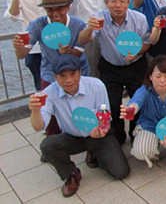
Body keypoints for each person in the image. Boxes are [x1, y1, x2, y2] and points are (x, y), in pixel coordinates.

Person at [28, 54, 129, 197]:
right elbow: (39, 126)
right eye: (62, 75)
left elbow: (105, 114)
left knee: (121, 172)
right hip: (72, 137)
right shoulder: (49, 93)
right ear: (55, 77)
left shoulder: (96, 85)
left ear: (80, 72)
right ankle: (71, 174)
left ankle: (95, 153)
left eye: (73, 74)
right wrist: (35, 110)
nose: (68, 80)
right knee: (47, 146)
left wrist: (101, 129)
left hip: (98, 135)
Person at [78, 0, 151, 145]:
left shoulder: (139, 19)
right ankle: (117, 137)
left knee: (138, 102)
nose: (118, 5)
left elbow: (147, 44)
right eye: (113, 0)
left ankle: (136, 134)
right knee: (112, 104)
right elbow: (83, 40)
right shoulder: (99, 19)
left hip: (136, 67)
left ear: (128, 2)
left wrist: (138, 50)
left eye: (122, 1)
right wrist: (89, 27)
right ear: (106, 2)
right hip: (110, 67)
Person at [4, 0, 65, 90]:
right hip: (33, 47)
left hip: (55, 42)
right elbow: (14, 16)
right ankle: (46, 111)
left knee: (62, 81)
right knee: (42, 86)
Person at [121, 55, 166, 172]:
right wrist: (130, 109)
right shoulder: (144, 90)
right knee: (141, 151)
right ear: (150, 76)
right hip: (150, 125)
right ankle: (154, 148)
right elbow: (136, 101)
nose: (162, 81)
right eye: (158, 76)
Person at [13, 0, 89, 91]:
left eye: (59, 9)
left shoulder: (79, 24)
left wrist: (69, 52)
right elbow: (22, 54)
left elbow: (79, 51)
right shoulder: (37, 25)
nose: (55, 14)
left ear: (67, 7)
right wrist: (19, 47)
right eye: (50, 10)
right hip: (51, 75)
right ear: (45, 9)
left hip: (78, 75)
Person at [69, 0, 114, 77]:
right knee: (91, 72)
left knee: (110, 72)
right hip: (88, 37)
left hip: (108, 35)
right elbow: (71, 12)